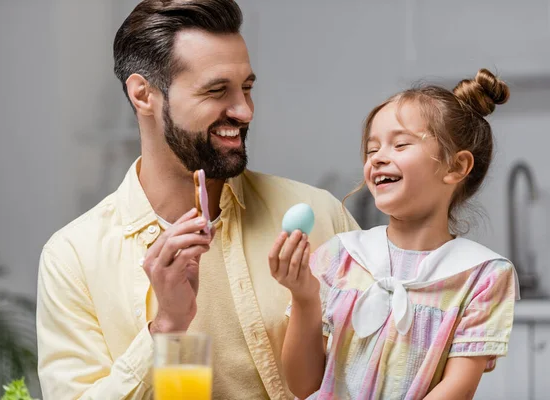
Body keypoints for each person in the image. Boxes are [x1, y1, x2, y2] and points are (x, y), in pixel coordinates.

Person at [35, 0, 359, 399]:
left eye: (247, 88)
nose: (244, 110)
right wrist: (166, 326)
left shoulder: (324, 216)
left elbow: (390, 368)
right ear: (143, 95)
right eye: (217, 90)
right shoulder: (73, 258)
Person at [269, 68, 519, 400]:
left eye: (400, 144)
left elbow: (458, 388)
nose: (378, 158)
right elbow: (303, 385)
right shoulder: (339, 257)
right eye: (372, 150)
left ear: (456, 167)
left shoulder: (484, 276)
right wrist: (304, 297)